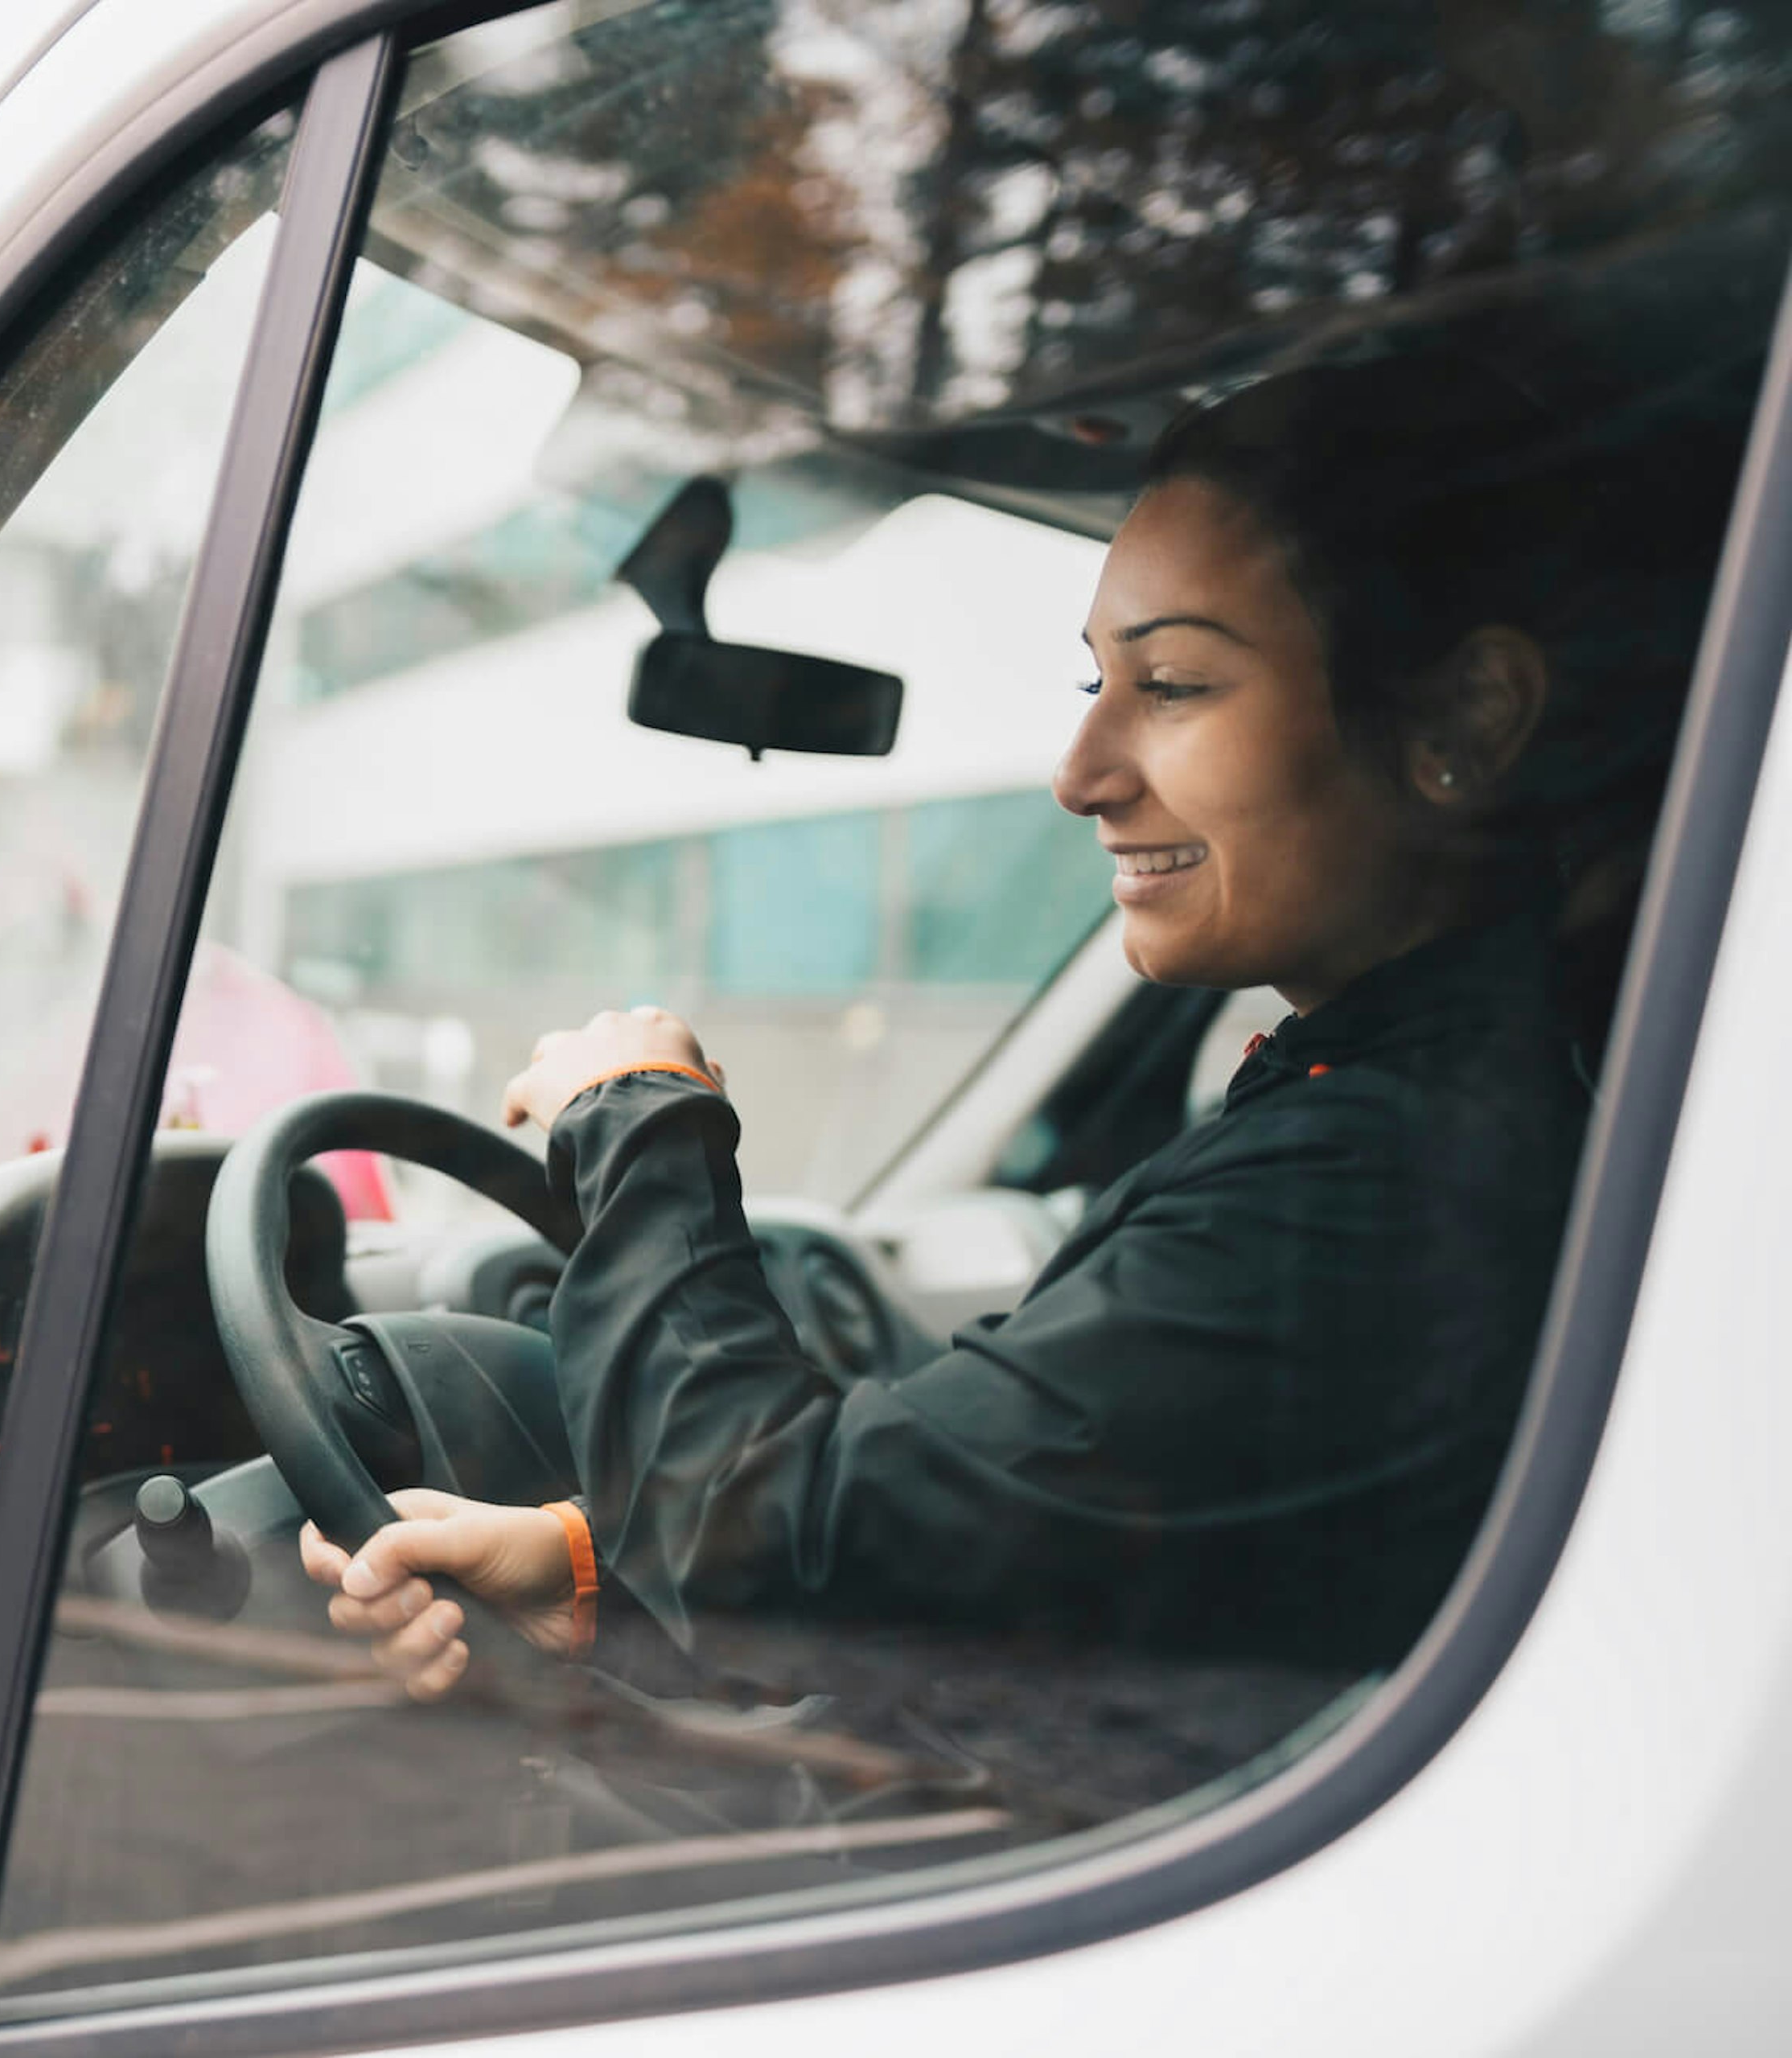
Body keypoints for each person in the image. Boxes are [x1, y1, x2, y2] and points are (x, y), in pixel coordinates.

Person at [302, 357, 1726, 1703]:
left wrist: (633, 1120)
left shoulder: (1383, 1181)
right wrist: (596, 1567)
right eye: (1092, 684)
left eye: (1170, 685)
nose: (1080, 773)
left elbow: (773, 1541)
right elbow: (1095, 1569)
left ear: (1469, 714)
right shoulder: (1455, 1101)